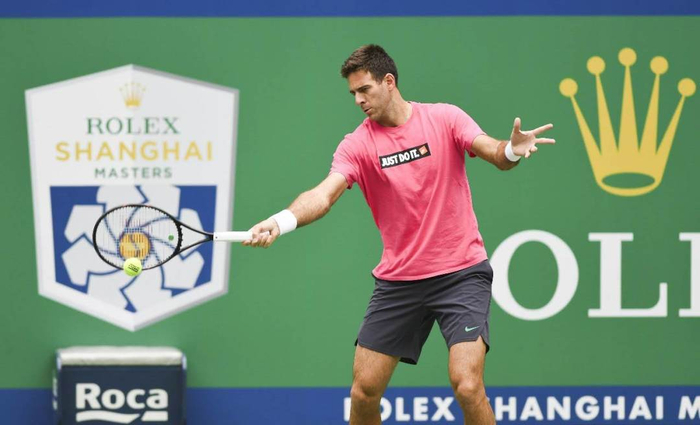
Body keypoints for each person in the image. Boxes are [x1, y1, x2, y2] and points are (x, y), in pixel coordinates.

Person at [243, 44, 555, 425]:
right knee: (363, 393)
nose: (358, 100)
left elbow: (493, 151)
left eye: (365, 89)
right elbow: (324, 195)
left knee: (467, 384)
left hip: (461, 274)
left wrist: (512, 152)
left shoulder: (445, 118)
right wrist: (281, 221)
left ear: (389, 82)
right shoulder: (358, 144)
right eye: (353, 93)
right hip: (400, 281)